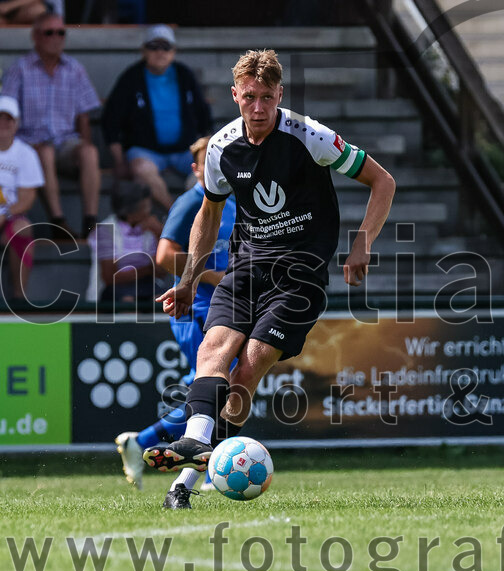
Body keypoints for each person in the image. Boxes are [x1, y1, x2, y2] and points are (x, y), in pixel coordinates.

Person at [144, 49, 396, 509]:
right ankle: (194, 456)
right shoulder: (221, 148)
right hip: (247, 267)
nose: (258, 108)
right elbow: (208, 212)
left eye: (267, 98)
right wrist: (187, 280)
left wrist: (363, 243)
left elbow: (383, 181)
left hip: (300, 274)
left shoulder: (309, 136)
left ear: (280, 94)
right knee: (212, 350)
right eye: (249, 98)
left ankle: (188, 473)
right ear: (235, 96)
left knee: (247, 370)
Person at [115, 135, 236, 494]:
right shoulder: (191, 202)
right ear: (197, 169)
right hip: (194, 308)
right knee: (217, 383)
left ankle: (143, 442)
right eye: (209, 163)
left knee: (214, 384)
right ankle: (212, 471)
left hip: (223, 306)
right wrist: (213, 277)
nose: (218, 169)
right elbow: (165, 255)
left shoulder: (232, 201)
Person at [1, 12, 102, 240]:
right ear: (35, 37)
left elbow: (84, 116)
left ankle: (90, 223)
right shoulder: (20, 68)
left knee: (89, 152)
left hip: (66, 143)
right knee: (44, 151)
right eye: (49, 32)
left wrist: (83, 143)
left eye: (61, 32)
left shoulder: (75, 68)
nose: (56, 37)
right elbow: (6, 111)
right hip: (29, 143)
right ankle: (59, 223)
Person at [102, 24, 213, 211]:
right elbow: (111, 120)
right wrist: (119, 161)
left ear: (174, 51)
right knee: (141, 171)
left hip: (185, 149)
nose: (160, 52)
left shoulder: (184, 74)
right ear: (143, 50)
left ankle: (193, 215)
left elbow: (203, 115)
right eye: (154, 46)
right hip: (146, 151)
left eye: (166, 47)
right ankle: (175, 215)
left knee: (209, 170)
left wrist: (207, 146)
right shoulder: (131, 77)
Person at [86, 180, 164, 305]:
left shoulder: (151, 228)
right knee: (128, 301)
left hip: (146, 285)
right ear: (130, 212)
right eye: (144, 207)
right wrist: (148, 270)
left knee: (162, 299)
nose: (149, 210)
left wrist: (160, 234)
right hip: (114, 288)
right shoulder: (105, 231)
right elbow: (110, 277)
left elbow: (161, 272)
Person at [0, 95, 44, 301]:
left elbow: (27, 197)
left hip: (10, 216)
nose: (3, 123)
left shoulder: (25, 153)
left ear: (16, 123)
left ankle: (19, 297)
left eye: (8, 119)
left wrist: (5, 213)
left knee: (22, 228)